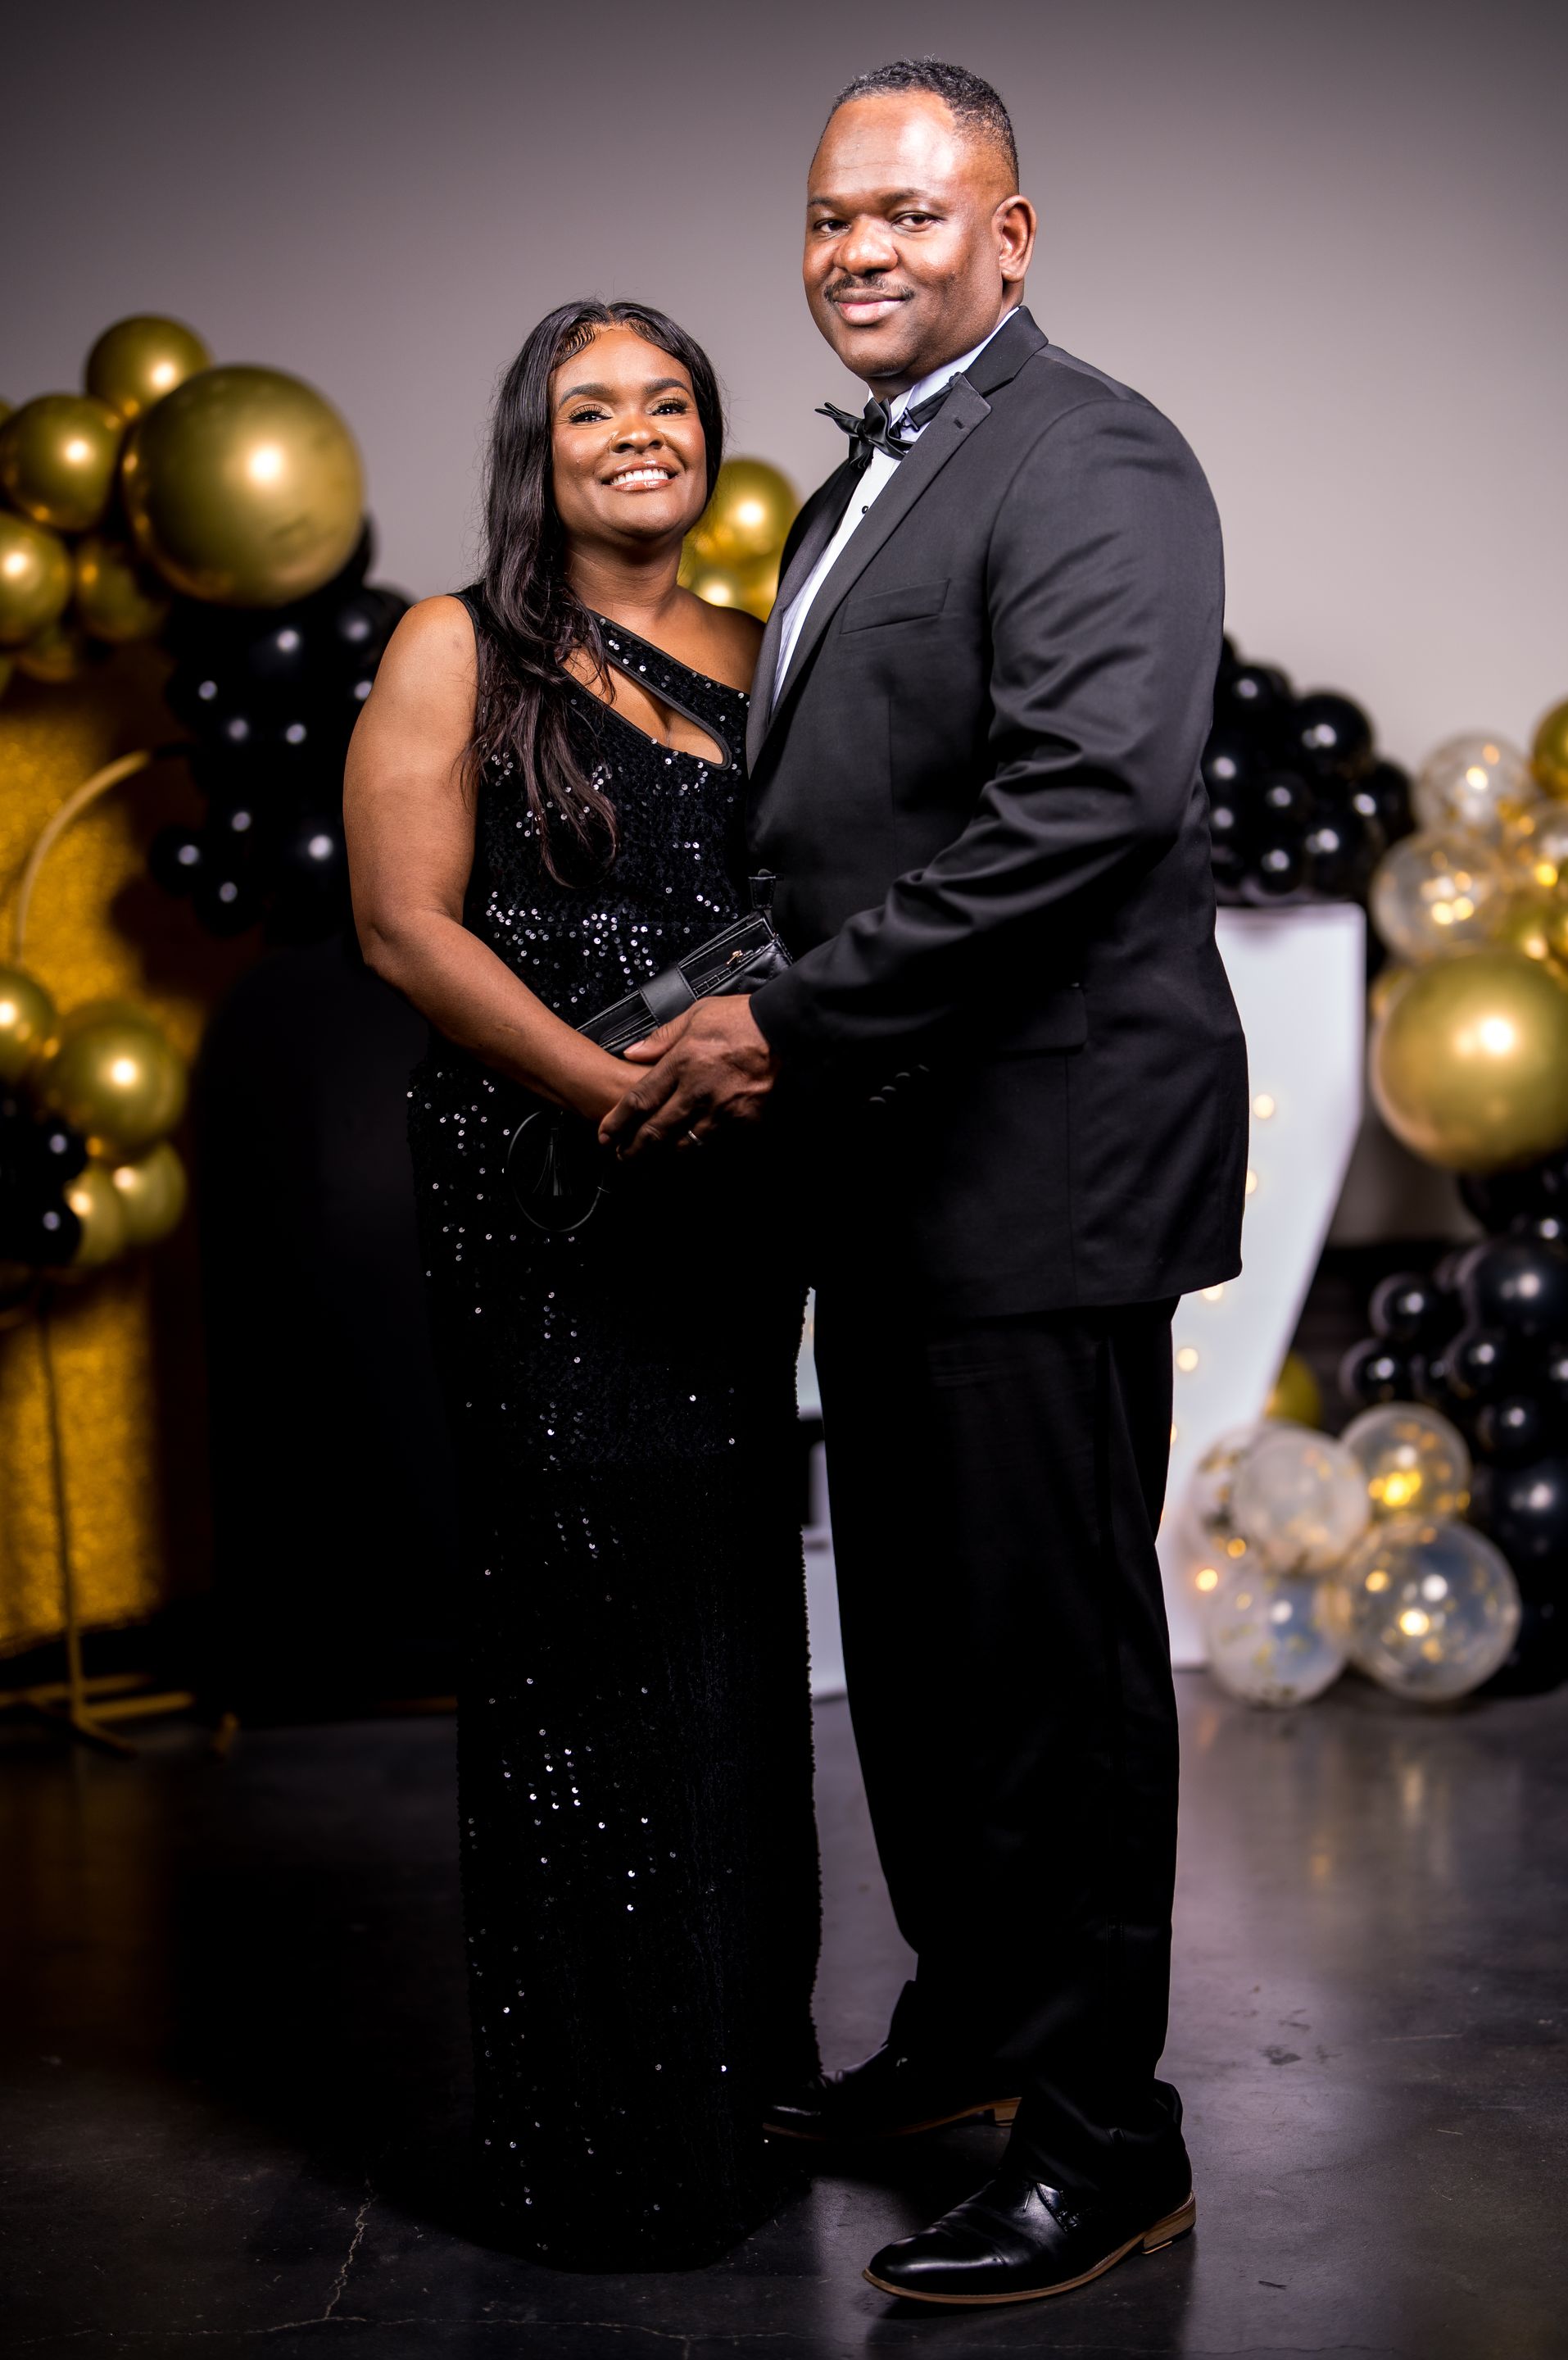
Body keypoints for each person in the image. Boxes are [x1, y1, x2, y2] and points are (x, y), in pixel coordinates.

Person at [602, 61, 1249, 2306]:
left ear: (1014, 234)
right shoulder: (867, 486)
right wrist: (693, 992)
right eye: (827, 218)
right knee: (926, 1660)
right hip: (887, 1174)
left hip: (1044, 1164)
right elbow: (841, 840)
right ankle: (979, 2036)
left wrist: (781, 1019)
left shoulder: (1096, 456)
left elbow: (1082, 810)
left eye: (908, 211)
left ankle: (1108, 2139)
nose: (861, 249)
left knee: (1049, 1679)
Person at [343, 299, 820, 2271]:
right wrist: (615, 1087)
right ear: (538, 454)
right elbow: (399, 927)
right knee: (583, 1655)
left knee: (727, 1634)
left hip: (737, 1203)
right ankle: (600, 2148)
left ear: (710, 437)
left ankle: (741, 2105)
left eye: (671, 400)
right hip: (550, 1195)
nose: (638, 430)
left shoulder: (774, 647)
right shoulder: (461, 640)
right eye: (589, 407)